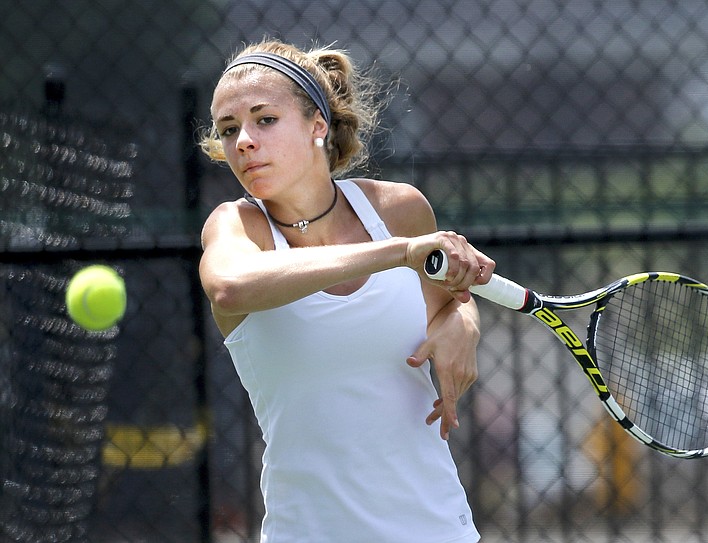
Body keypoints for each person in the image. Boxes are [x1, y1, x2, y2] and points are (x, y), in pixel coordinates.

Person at [198, 38, 494, 543]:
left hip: (437, 527)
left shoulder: (400, 211)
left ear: (318, 125)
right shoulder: (235, 228)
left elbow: (448, 310)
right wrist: (398, 252)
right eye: (229, 130)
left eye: (264, 119)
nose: (244, 140)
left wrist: (462, 327)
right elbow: (230, 288)